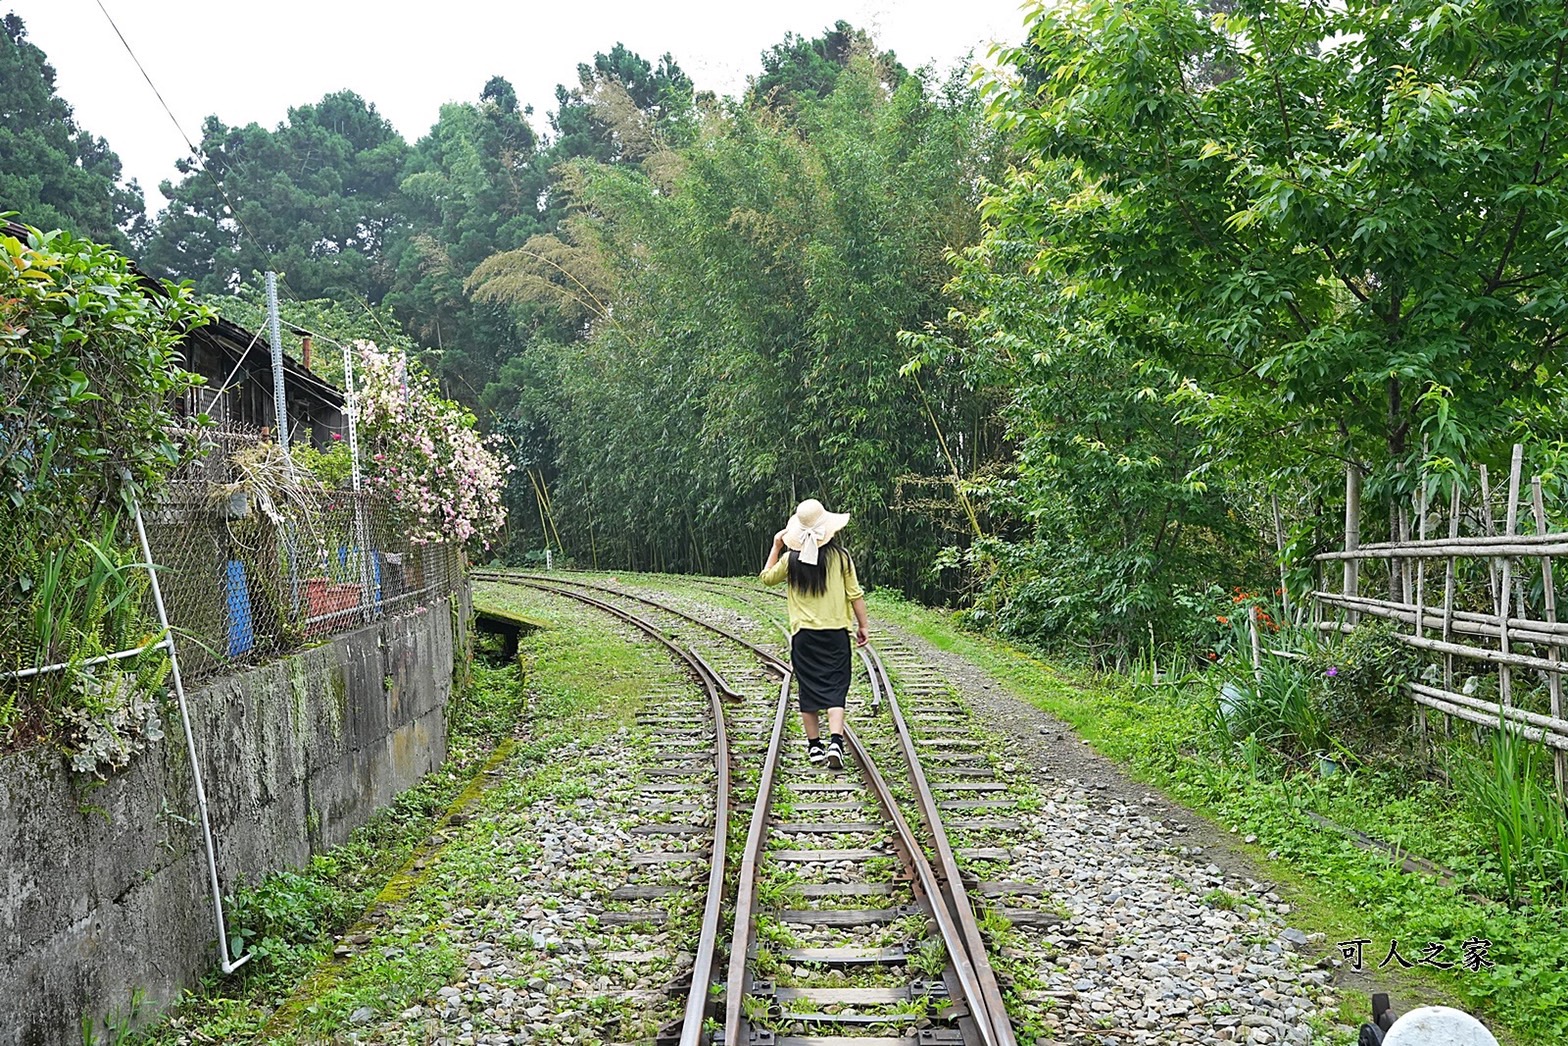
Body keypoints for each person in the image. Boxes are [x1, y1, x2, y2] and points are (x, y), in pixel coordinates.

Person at [759, 498, 870, 770]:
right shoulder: (841, 557)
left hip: (804, 636)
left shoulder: (790, 560)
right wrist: (863, 625)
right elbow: (855, 595)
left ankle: (815, 748)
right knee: (835, 688)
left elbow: (766, 578)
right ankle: (835, 742)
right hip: (836, 634)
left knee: (808, 691)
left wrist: (776, 546)